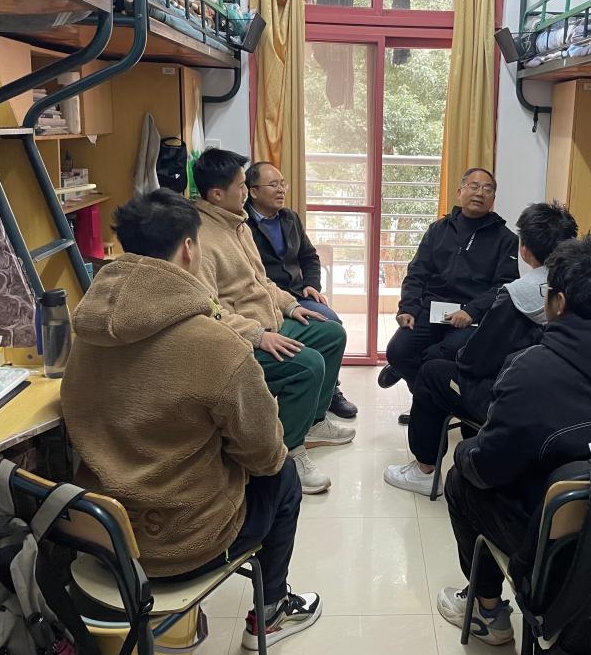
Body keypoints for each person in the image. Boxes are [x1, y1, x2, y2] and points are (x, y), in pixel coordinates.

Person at [61, 189, 321, 650]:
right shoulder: (216, 345)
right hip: (181, 545)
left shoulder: (87, 332)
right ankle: (271, 611)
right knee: (283, 475)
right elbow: (263, 454)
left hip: (100, 536)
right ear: (187, 248)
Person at [434, 234, 591, 645]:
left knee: (462, 479)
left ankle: (488, 612)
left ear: (559, 302)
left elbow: (487, 467)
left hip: (562, 537)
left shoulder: (533, 369)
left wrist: (465, 452)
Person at [383, 201, 579, 496]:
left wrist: (464, 344)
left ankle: (424, 470)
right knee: (413, 351)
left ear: (524, 249)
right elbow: (417, 271)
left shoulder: (516, 294)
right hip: (564, 394)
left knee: (432, 372)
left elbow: (476, 360)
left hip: (510, 395)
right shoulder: (583, 285)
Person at [193, 149, 354, 496]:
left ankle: (315, 422)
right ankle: (289, 453)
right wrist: (258, 336)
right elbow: (208, 310)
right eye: (241, 186)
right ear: (217, 194)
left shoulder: (238, 225)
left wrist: (292, 306)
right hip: (242, 337)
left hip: (271, 318)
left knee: (331, 334)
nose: (245, 192)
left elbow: (262, 282)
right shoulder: (202, 239)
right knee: (308, 364)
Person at [379, 168, 519, 424]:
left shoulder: (506, 239)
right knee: (398, 351)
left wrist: (472, 311)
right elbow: (417, 272)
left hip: (471, 316)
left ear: (493, 198)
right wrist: (408, 307)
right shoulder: (438, 229)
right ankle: (429, 401)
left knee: (437, 356)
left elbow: (504, 285)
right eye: (473, 186)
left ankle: (427, 407)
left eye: (487, 189)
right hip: (431, 309)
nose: (480, 193)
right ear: (460, 192)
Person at [244, 160, 358, 419]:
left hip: (297, 294)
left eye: (283, 184)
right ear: (253, 191)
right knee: (320, 330)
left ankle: (330, 392)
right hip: (266, 299)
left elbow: (309, 256)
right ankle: (300, 387)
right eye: (273, 184)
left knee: (331, 323)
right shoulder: (243, 225)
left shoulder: (289, 218)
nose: (281, 190)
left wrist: (311, 285)